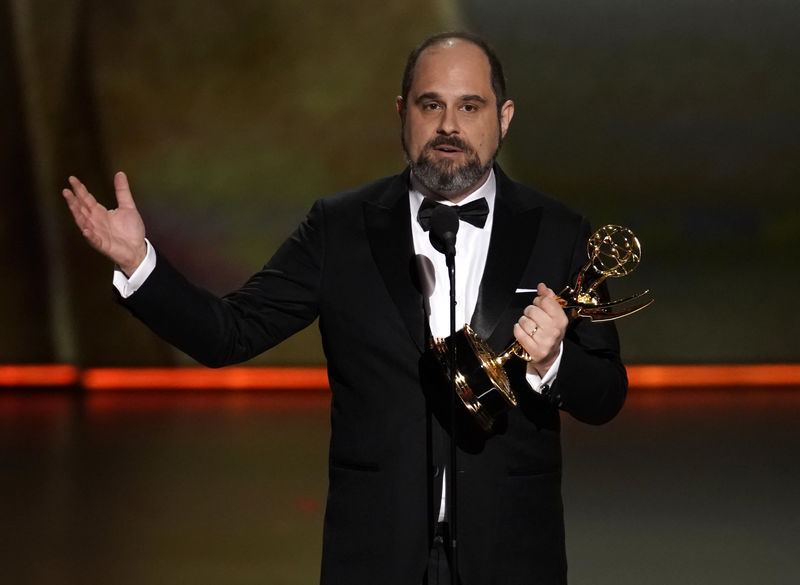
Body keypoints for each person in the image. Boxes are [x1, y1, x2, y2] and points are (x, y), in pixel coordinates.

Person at [63, 32, 626, 585]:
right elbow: (228, 334)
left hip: (513, 554)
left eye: (469, 106)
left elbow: (605, 394)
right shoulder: (339, 228)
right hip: (376, 554)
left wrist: (551, 363)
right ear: (402, 113)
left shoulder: (557, 232)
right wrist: (139, 263)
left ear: (503, 118)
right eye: (431, 105)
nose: (449, 126)